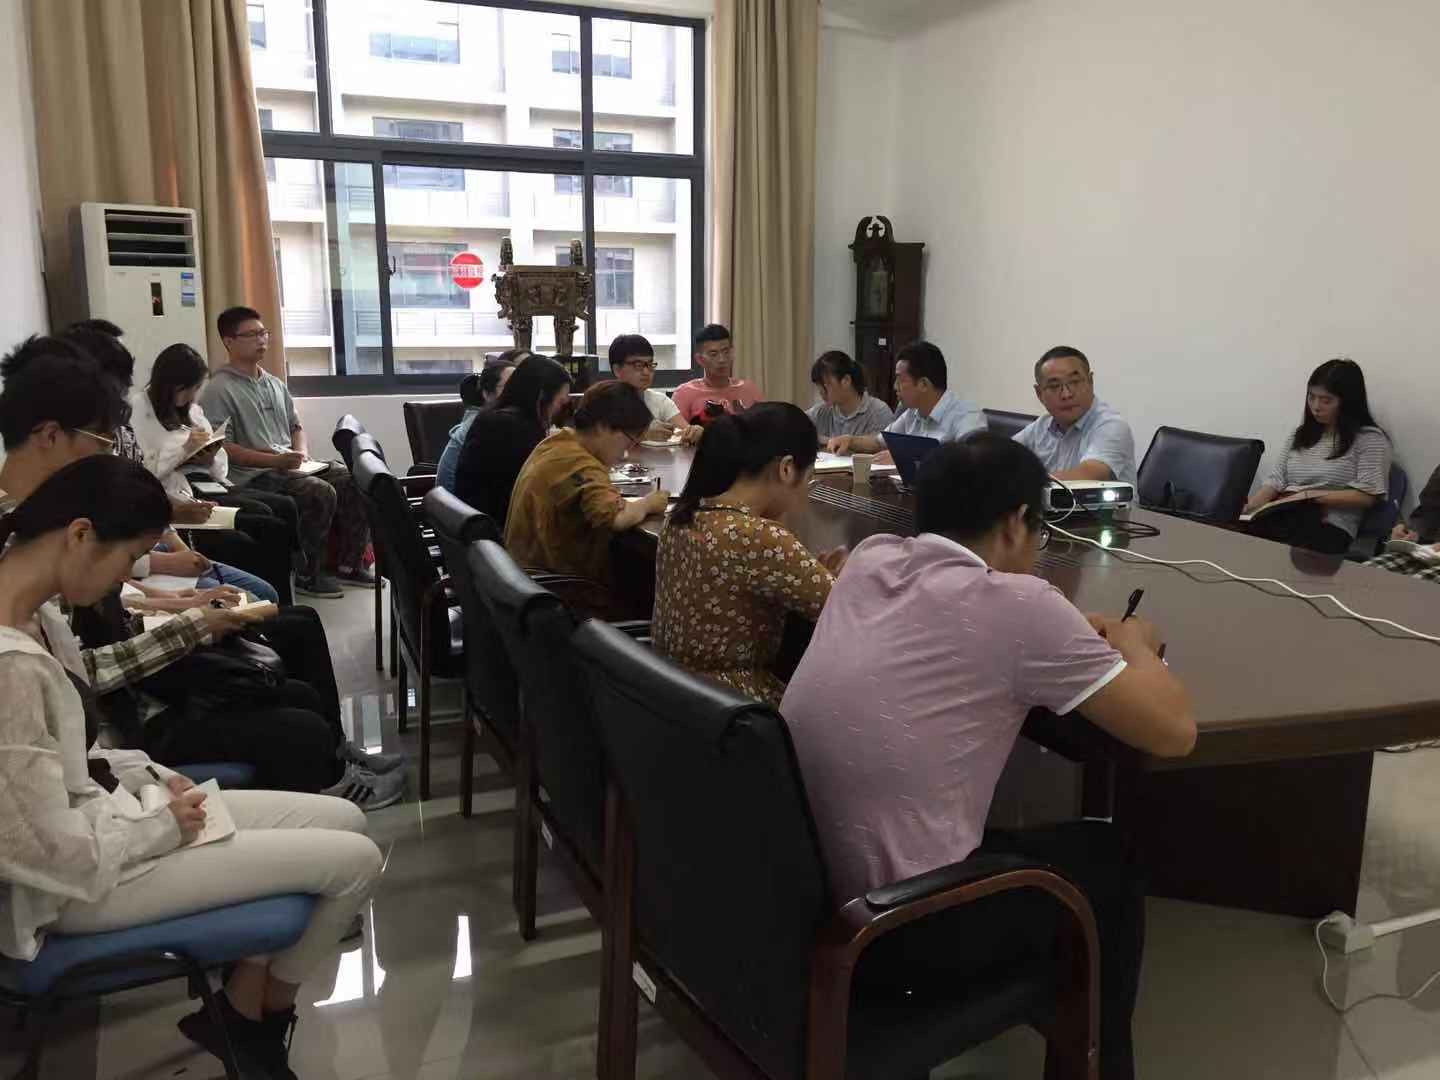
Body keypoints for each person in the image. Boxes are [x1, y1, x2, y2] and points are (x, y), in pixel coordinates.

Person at [782, 432, 1196, 1080]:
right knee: (1108, 859)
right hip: (899, 926)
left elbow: (963, 624)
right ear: (1014, 523)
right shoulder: (1023, 607)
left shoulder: (871, 558)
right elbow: (1173, 731)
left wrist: (1059, 633)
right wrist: (1136, 644)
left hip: (805, 883)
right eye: (1040, 532)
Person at [0, 453, 384, 1079]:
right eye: (130, 559)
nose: (127, 577)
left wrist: (148, 776)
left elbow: (77, 745)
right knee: (356, 863)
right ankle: (257, 1022)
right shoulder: (10, 665)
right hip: (71, 888)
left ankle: (240, 1010)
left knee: (345, 820)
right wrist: (161, 828)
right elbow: (41, 853)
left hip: (107, 823)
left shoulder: (36, 612)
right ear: (80, 534)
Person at [0, 336, 403, 809]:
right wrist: (188, 620)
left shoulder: (48, 518)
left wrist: (180, 604)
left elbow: (103, 600)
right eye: (101, 442)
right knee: (290, 702)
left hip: (127, 676)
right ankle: (323, 769)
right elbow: (79, 673)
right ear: (49, 435)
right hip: (123, 717)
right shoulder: (27, 541)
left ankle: (330, 760)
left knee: (287, 649)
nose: (107, 455)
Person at [63, 325, 286, 605]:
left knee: (268, 544)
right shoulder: (109, 435)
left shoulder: (124, 432)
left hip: (171, 517)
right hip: (151, 551)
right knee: (253, 583)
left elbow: (141, 495)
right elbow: (101, 563)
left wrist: (177, 542)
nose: (121, 398)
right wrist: (172, 580)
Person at [654, 404, 844, 707]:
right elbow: (845, 610)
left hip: (671, 693)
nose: (804, 494)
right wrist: (838, 581)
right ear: (786, 468)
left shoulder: (683, 515)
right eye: (808, 478)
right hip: (735, 707)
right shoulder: (759, 537)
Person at [201, 306, 374, 598]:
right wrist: (276, 460)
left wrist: (301, 452)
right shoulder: (218, 389)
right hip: (254, 474)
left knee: (354, 478)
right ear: (229, 341)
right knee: (318, 491)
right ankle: (308, 573)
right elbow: (222, 447)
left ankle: (350, 564)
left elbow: (296, 427)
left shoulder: (274, 383)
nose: (261, 340)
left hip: (289, 465)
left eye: (263, 333)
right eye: (252, 335)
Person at [133, 342, 303, 566]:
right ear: (169, 384)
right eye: (187, 389)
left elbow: (219, 461)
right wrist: (184, 450)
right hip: (178, 489)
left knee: (285, 505)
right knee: (264, 517)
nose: (191, 396)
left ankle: (294, 572)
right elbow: (143, 470)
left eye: (195, 388)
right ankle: (279, 575)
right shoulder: (140, 411)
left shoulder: (192, 411)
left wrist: (210, 456)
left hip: (208, 480)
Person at [503, 381, 669, 586]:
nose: (625, 454)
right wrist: (649, 503)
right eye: (629, 441)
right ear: (603, 426)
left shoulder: (558, 442)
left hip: (520, 579)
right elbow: (616, 518)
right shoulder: (582, 464)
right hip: (559, 589)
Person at [1243, 359, 1391, 556]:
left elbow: (1367, 496)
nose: (1316, 406)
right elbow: (1276, 480)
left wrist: (1309, 497)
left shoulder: (1369, 438)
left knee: (1279, 553)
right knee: (1231, 535)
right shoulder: (1300, 434)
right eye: (1311, 397)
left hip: (1329, 524)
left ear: (1347, 402)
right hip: (1283, 513)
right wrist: (1251, 507)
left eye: (1326, 400)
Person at [452, 353, 573, 526]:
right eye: (560, 402)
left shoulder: (493, 417)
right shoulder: (515, 429)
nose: (559, 410)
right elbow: (542, 488)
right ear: (541, 396)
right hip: (498, 531)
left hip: (476, 528)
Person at [826, 340, 984, 461]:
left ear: (923, 384)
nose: (895, 387)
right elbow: (878, 442)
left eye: (900, 380)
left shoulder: (967, 414)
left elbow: (973, 461)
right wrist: (850, 440)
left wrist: (904, 457)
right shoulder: (912, 413)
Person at [1013, 345, 1138, 487]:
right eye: (1054, 386)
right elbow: (1002, 457)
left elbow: (1087, 477)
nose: (1066, 394)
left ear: (1090, 382)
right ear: (1039, 393)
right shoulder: (1041, 426)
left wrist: (1019, 482)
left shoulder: (1112, 426)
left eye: (1075, 382)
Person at [436, 351, 523, 492]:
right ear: (487, 394)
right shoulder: (488, 425)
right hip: (459, 503)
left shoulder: (488, 419)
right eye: (509, 387)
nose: (516, 393)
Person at [608, 333, 700, 445]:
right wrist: (641, 435)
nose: (646, 372)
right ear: (617, 370)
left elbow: (683, 431)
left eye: (650, 364)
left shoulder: (660, 401)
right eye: (638, 365)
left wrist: (694, 433)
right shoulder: (602, 402)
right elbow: (599, 444)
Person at [670, 324, 762, 425]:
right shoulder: (684, 393)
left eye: (726, 352)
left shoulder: (748, 389)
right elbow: (676, 433)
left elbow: (765, 427)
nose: (722, 359)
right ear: (699, 359)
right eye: (713, 354)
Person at [1368, 463, 1440, 584]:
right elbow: (1428, 510)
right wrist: (1411, 532)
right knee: (1367, 573)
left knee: (1416, 587)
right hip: (1427, 552)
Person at [806, 349, 894, 443]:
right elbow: (797, 423)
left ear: (846, 380)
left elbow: (881, 445)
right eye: (818, 386)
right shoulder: (821, 411)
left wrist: (831, 441)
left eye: (826, 384)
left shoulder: (878, 412)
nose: (821, 391)